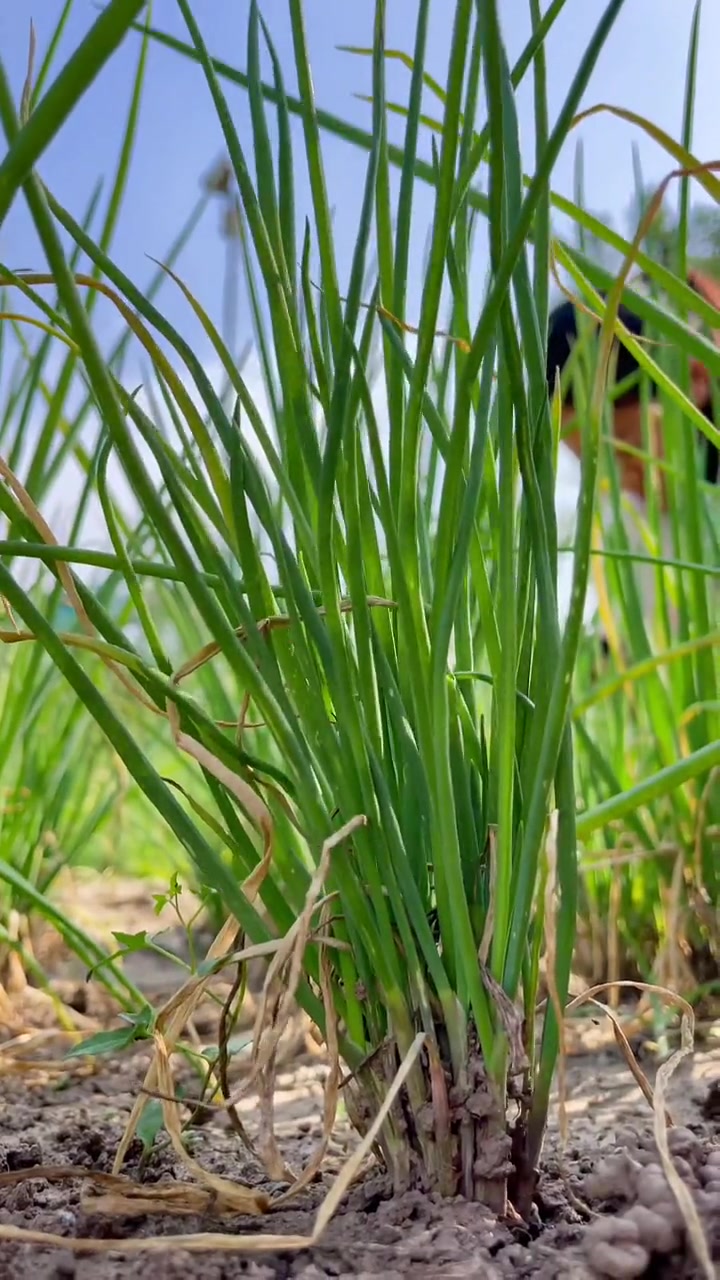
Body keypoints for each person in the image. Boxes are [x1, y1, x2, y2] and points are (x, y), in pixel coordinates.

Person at [547, 268, 720, 643]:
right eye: (588, 459)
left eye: (624, 444)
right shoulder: (630, 516)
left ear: (695, 381)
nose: (617, 477)